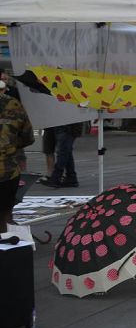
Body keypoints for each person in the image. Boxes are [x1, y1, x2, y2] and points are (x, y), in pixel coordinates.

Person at [0, 75, 34, 232]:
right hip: (8, 171)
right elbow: (28, 137)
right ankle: (8, 248)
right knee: (6, 215)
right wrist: (10, 146)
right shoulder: (13, 104)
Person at [40, 121, 81, 188]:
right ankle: (71, 177)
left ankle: (56, 177)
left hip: (66, 125)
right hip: (65, 124)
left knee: (63, 152)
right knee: (66, 151)